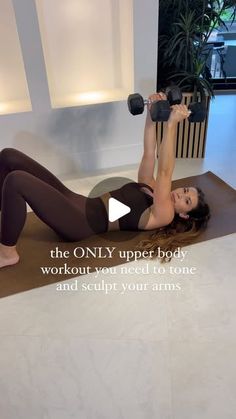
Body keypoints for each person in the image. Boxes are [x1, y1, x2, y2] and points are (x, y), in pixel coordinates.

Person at [0, 93, 210, 268]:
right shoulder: (151, 187)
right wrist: (151, 115)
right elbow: (149, 152)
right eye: (185, 190)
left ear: (184, 214)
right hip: (76, 200)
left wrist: (172, 124)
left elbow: (165, 171)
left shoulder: (164, 214)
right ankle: (5, 214)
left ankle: (8, 253)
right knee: (9, 156)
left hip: (79, 223)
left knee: (17, 181)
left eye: (186, 200)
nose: (180, 194)